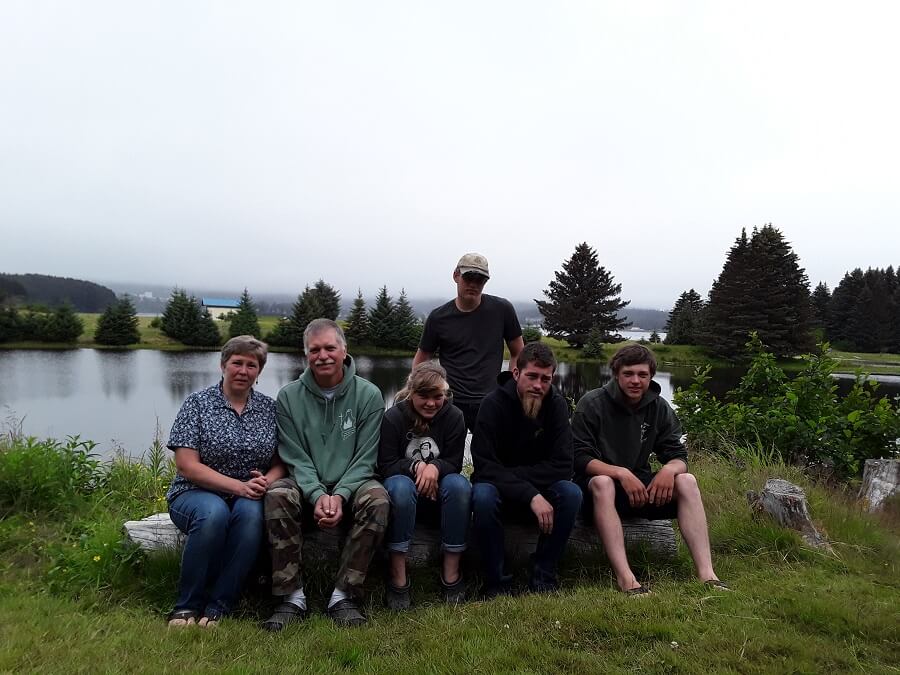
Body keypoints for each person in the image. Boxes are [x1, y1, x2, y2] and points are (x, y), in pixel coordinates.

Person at [262, 319, 389, 630]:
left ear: (344, 350)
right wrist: (318, 495)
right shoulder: (289, 396)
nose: (323, 356)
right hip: (307, 481)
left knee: (379, 500)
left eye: (330, 348)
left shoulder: (369, 395)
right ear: (306, 355)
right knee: (277, 494)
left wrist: (340, 495)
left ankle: (344, 595)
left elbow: (365, 458)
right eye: (314, 350)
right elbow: (294, 455)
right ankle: (291, 597)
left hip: (352, 482)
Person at [572, 344, 727, 595]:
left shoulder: (659, 407)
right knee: (603, 482)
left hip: (637, 489)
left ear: (651, 376)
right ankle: (626, 579)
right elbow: (580, 458)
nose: (636, 381)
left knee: (686, 480)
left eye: (642, 375)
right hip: (596, 491)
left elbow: (678, 454)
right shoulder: (592, 404)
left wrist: (668, 470)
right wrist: (620, 473)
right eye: (628, 374)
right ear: (616, 374)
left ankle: (708, 575)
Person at [165, 335, 284, 628]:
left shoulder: (269, 409)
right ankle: (187, 606)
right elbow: (186, 465)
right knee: (213, 514)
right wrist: (238, 486)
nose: (243, 371)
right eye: (237, 363)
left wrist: (267, 480)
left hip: (249, 494)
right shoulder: (198, 404)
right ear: (223, 365)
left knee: (251, 518)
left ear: (259, 371)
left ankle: (219, 605)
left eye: (251, 365)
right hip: (195, 492)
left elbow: (283, 461)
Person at [470, 342, 582, 596]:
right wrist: (529, 494)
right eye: (532, 376)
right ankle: (496, 581)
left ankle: (543, 576)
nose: (538, 385)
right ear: (516, 374)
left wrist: (526, 487)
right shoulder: (492, 404)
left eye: (546, 379)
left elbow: (564, 465)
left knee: (571, 493)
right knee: (482, 495)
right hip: (500, 490)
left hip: (535, 490)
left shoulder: (556, 405)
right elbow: (484, 466)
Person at [378, 362, 471, 609]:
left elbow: (454, 461)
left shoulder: (454, 417)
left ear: (445, 395)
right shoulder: (393, 418)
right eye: (423, 396)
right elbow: (385, 464)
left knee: (459, 485)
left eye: (437, 397)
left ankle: (450, 573)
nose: (431, 403)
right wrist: (415, 467)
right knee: (399, 485)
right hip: (404, 497)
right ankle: (398, 576)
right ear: (411, 393)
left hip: (438, 496)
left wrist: (435, 467)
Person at [413, 252, 525, 432]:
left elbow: (519, 352)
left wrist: (512, 387)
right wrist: (421, 392)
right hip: (449, 401)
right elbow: (422, 358)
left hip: (490, 400)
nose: (474, 283)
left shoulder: (502, 310)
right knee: (447, 458)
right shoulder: (438, 317)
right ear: (456, 276)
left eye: (480, 279)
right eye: (469, 277)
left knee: (490, 457)